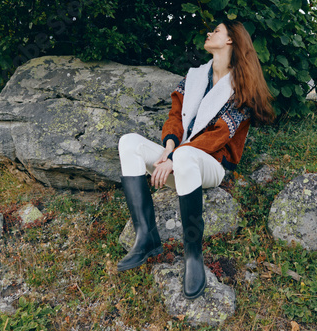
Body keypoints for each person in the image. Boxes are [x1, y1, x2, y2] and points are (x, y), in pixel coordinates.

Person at [116, 20, 275, 299]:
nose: (210, 33)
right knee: (129, 142)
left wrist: (175, 157)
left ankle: (193, 257)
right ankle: (146, 238)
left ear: (230, 41)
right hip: (181, 157)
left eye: (217, 30)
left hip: (211, 165)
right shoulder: (194, 76)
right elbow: (175, 117)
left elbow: (219, 136)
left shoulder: (242, 86)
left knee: (188, 153)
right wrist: (168, 147)